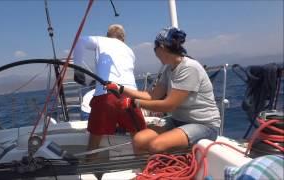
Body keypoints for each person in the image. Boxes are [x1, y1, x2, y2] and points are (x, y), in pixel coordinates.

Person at [106, 26, 221, 154]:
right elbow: (151, 95)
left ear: (162, 48)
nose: (155, 53)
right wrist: (120, 88)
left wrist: (134, 103)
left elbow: (169, 105)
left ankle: (166, 172)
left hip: (204, 125)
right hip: (177, 121)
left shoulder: (189, 68)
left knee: (156, 145)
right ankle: (148, 173)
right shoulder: (168, 69)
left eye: (155, 49)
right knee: (139, 140)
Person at [73, 24, 146, 161]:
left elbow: (80, 41)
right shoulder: (130, 51)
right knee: (138, 137)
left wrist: (78, 70)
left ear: (108, 35)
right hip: (130, 96)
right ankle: (144, 170)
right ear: (123, 38)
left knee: (94, 140)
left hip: (106, 95)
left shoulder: (101, 40)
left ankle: (90, 169)